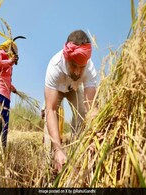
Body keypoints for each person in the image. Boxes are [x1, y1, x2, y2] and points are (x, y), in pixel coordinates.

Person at [44, 30, 97, 172]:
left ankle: (76, 155)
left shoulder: (90, 69)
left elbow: (91, 108)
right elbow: (51, 110)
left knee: (81, 114)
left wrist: (93, 136)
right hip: (58, 89)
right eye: (74, 66)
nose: (78, 72)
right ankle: (51, 162)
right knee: (48, 123)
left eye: (82, 67)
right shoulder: (54, 67)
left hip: (74, 88)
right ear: (66, 58)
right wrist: (58, 149)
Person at [0, 36, 25, 147]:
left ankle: (1, 150)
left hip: (6, 96)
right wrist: (10, 61)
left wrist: (12, 87)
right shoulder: (0, 52)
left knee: (3, 125)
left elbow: (4, 77)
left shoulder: (9, 60)